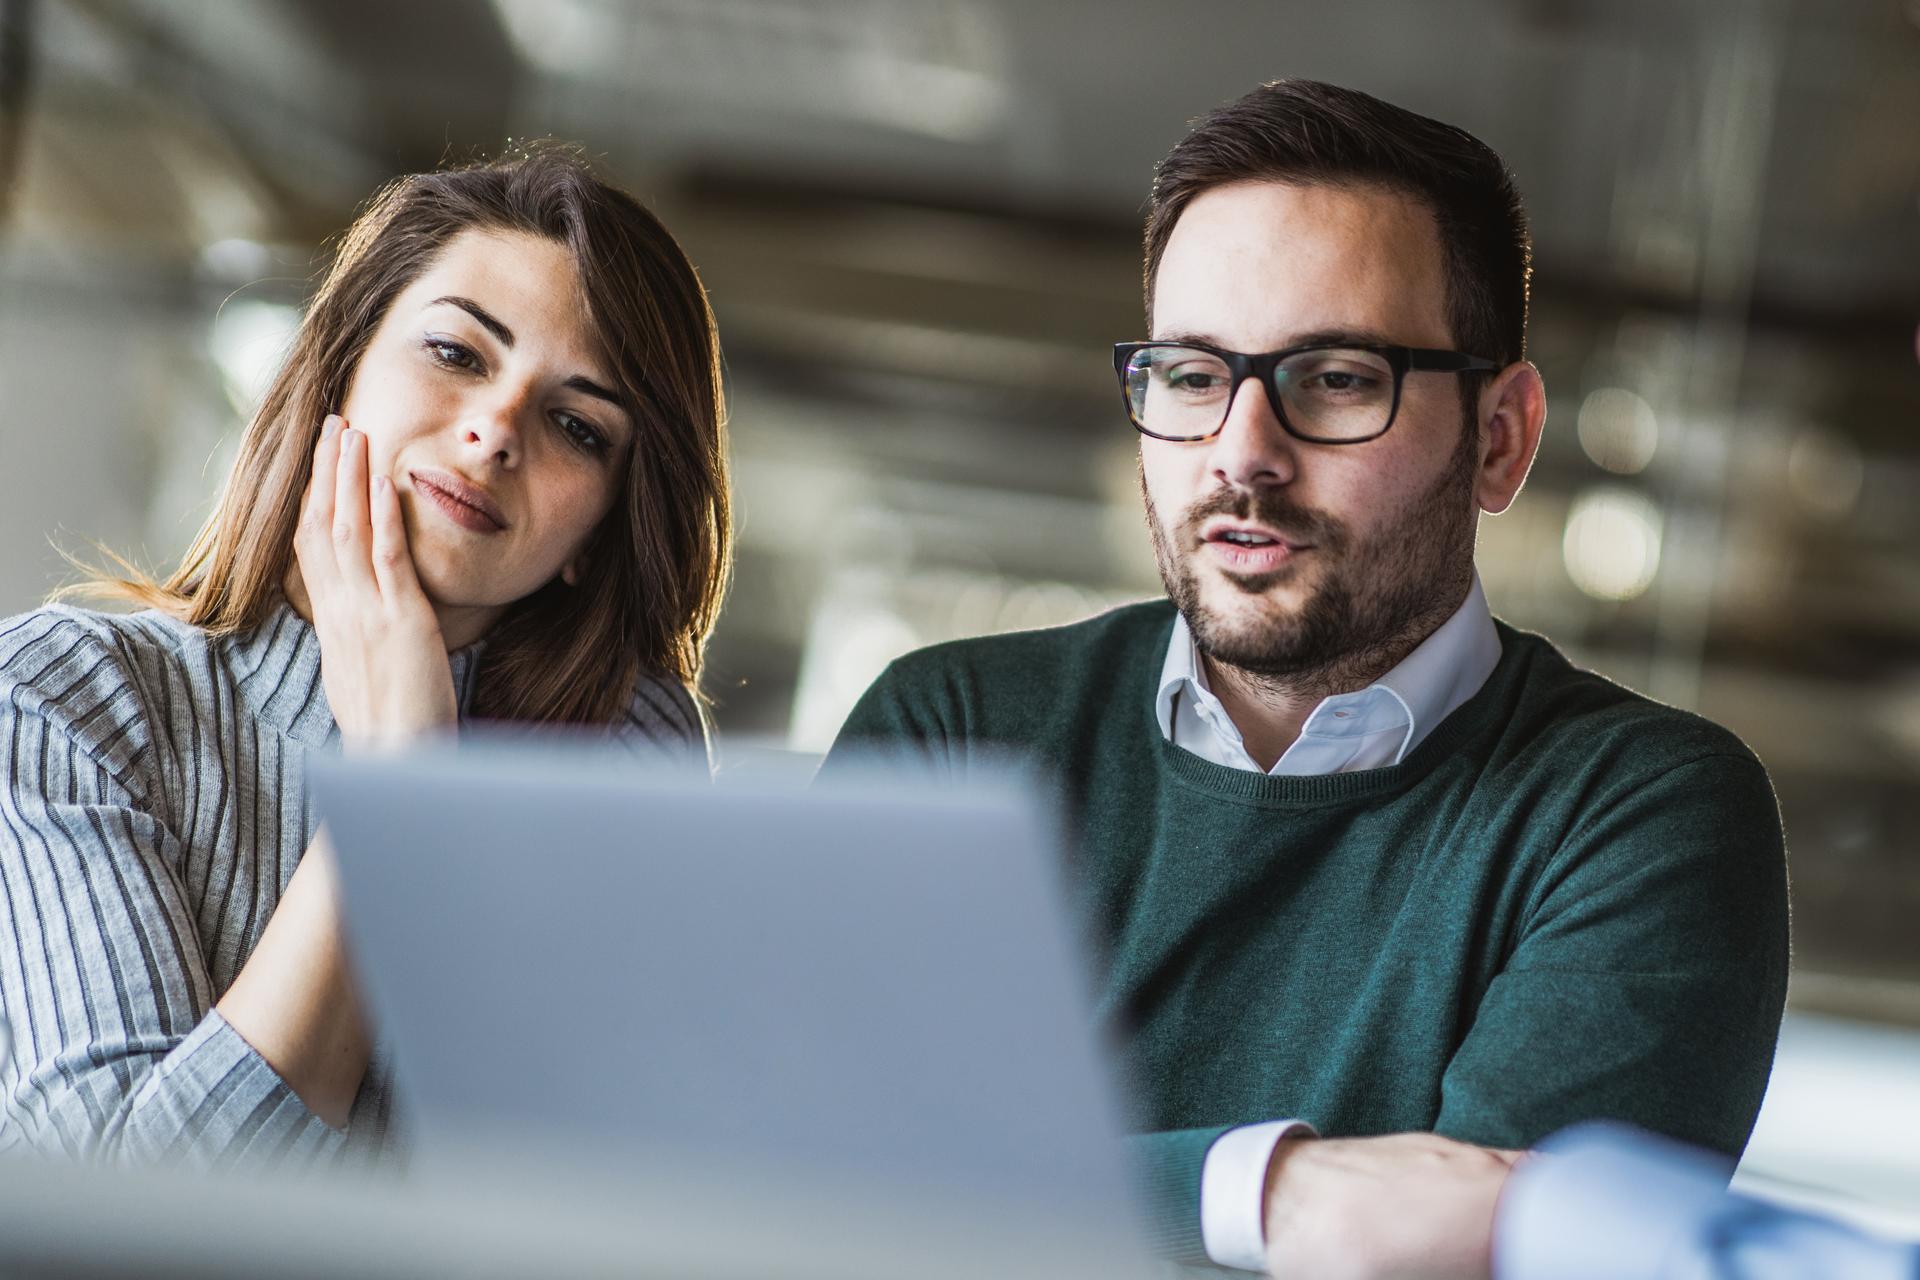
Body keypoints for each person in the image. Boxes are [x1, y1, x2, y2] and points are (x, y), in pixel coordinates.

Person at [821, 79, 1790, 1273]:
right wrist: (1274, 1195)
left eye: (1335, 378)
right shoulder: (956, 732)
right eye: (1189, 375)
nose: (1242, 452)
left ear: (1500, 439)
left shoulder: (1637, 814)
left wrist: (1006, 1189)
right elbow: (799, 1185)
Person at [0, 147, 731, 1164]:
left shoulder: (624, 764)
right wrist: (399, 783)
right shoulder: (64, 695)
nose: (493, 431)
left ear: (602, 531)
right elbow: (129, 1218)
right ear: (338, 366)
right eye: (458, 354)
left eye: (576, 423)